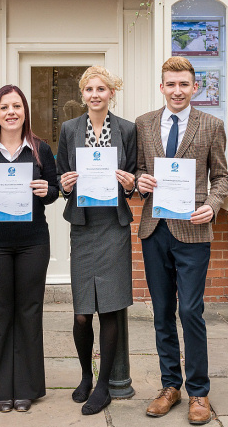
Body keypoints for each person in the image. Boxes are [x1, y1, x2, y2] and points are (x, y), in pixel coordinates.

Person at [135, 57, 228, 425]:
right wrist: (140, 181)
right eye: (170, 84)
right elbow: (140, 168)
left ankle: (200, 393)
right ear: (162, 87)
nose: (177, 91)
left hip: (192, 229)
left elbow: (221, 176)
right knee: (161, 313)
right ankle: (170, 386)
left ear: (194, 88)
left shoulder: (212, 125)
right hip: (155, 228)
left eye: (184, 85)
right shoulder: (144, 124)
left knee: (190, 311)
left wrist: (212, 204)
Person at [0, 85, 59, 413]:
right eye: (5, 107)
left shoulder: (40, 149)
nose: (11, 112)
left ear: (25, 112)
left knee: (29, 311)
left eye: (17, 106)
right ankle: (0, 388)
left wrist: (48, 189)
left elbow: (54, 190)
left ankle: (28, 388)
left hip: (33, 243)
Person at [56, 66, 137, 415]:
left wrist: (131, 183)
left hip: (114, 227)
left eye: (101, 88)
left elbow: (136, 173)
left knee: (111, 309)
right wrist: (65, 184)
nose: (95, 94)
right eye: (89, 89)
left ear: (111, 93)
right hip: (84, 227)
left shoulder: (128, 130)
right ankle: (86, 376)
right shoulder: (69, 129)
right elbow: (60, 175)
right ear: (83, 94)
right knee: (82, 314)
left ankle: (104, 384)